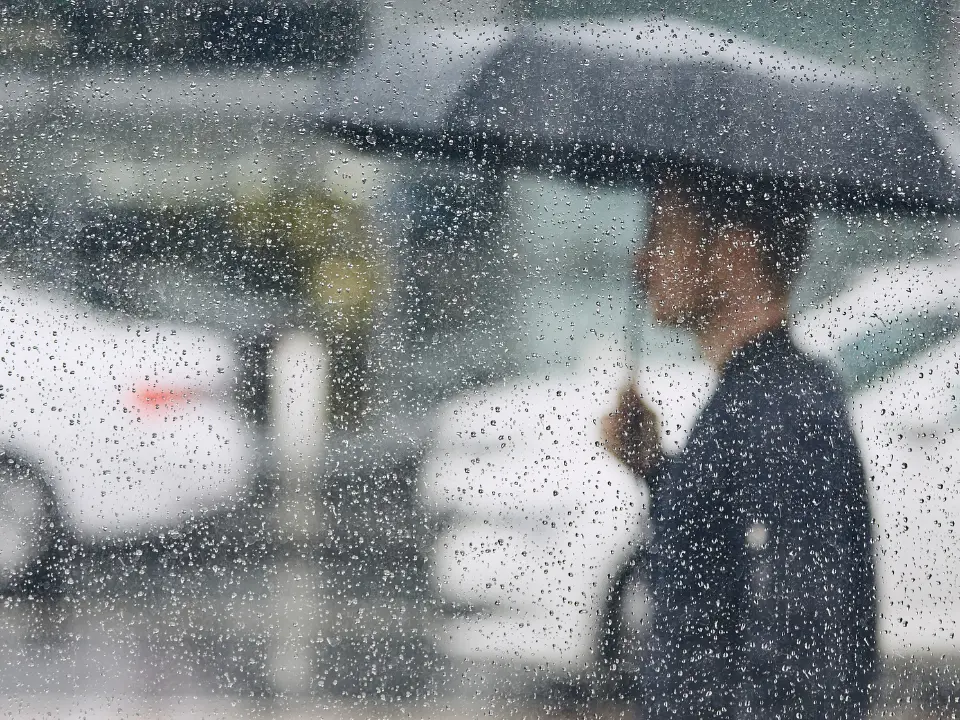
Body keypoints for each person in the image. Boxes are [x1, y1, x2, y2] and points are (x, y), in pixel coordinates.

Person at [603, 170, 877, 719]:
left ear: (735, 249)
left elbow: (805, 654)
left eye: (664, 233)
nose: (641, 263)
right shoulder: (755, 397)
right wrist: (655, 468)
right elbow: (721, 568)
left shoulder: (782, 413)